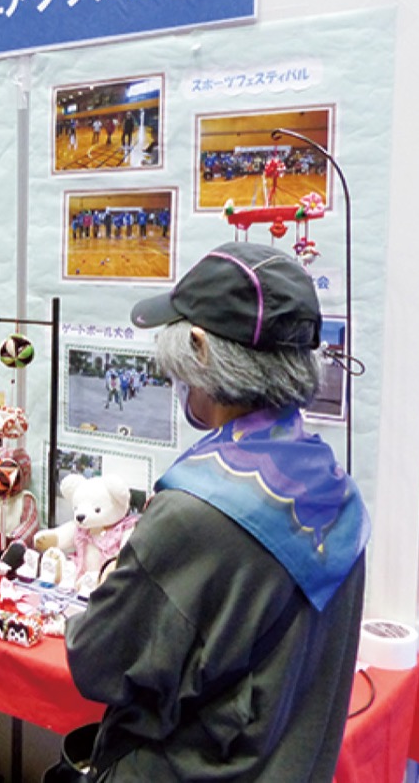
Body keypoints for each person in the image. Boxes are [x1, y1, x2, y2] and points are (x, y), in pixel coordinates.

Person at [65, 241, 370, 781]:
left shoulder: (196, 511)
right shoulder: (336, 491)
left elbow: (97, 661)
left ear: (199, 349)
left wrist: (114, 582)